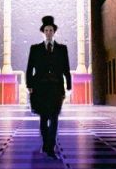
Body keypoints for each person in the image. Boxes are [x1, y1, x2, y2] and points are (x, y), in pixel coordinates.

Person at [26, 15, 71, 159]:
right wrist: (29, 85)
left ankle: (50, 147)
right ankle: (46, 143)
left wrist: (68, 84)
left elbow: (66, 68)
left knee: (54, 117)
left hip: (56, 88)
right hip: (40, 88)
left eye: (51, 30)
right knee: (44, 118)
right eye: (46, 30)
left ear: (54, 31)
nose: (49, 32)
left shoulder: (62, 49)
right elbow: (29, 68)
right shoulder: (35, 49)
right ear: (43, 32)